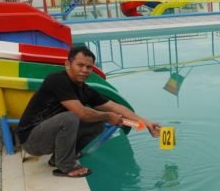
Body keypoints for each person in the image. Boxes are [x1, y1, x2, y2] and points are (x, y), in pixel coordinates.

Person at [16, 46, 160, 177]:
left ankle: (58, 159)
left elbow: (115, 107)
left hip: (48, 134)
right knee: (71, 117)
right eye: (80, 65)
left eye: (89, 67)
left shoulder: (85, 90)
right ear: (68, 64)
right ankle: (66, 166)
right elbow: (81, 113)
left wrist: (146, 123)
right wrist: (107, 116)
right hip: (31, 139)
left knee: (97, 125)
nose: (85, 70)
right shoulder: (57, 80)